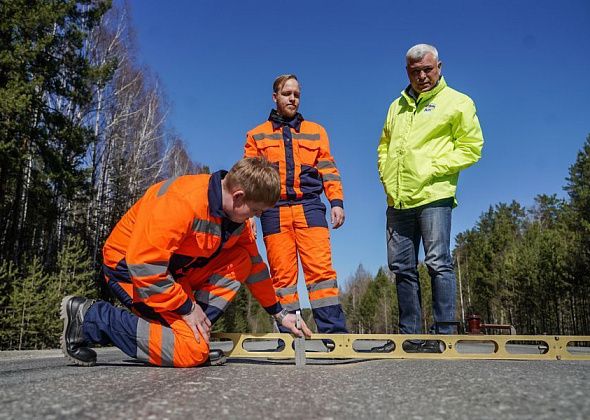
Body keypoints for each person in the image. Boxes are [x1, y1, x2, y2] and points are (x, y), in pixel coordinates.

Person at [61, 157, 312, 367]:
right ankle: (89, 317)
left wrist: (279, 314)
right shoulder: (181, 201)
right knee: (191, 351)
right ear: (238, 197)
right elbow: (144, 266)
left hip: (172, 272)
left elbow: (255, 269)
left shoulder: (236, 221)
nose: (256, 217)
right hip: (130, 269)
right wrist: (188, 309)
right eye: (256, 211)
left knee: (243, 259)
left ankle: (193, 334)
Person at [377, 44, 484, 352]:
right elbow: (384, 145)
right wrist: (385, 174)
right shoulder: (396, 106)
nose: (422, 76)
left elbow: (472, 146)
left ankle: (444, 336)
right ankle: (409, 337)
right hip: (398, 200)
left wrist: (432, 166)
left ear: (440, 67)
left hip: (434, 195)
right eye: (415, 71)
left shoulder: (458, 102)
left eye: (427, 69)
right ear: (407, 72)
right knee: (402, 268)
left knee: (437, 262)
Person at [244, 74, 347, 334]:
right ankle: (292, 338)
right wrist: (247, 215)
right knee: (283, 278)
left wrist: (336, 201)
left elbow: (329, 170)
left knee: (321, 272)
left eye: (297, 94)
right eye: (287, 93)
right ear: (275, 96)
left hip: (310, 207)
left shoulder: (316, 131)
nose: (292, 98)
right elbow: (247, 178)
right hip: (273, 211)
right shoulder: (257, 135)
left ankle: (334, 336)